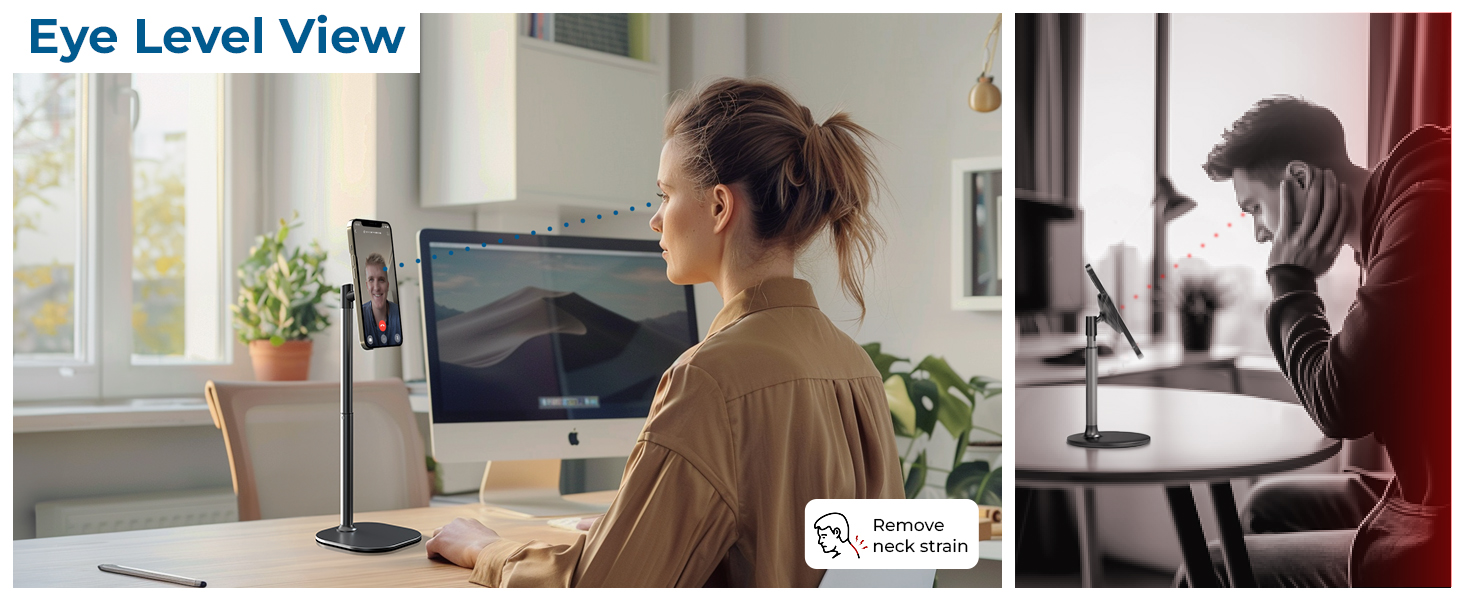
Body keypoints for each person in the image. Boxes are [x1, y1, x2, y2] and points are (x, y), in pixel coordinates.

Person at [424, 78, 904, 587]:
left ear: (720, 207)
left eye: (665, 193)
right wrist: (633, 530)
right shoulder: (857, 368)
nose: (655, 220)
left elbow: (602, 589)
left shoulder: (709, 379)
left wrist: (486, 549)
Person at [1178, 97, 1449, 587]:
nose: (1260, 233)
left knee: (1208, 566)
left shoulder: (1423, 213)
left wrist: (1291, 281)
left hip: (1444, 521)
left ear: (1299, 179)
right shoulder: (1396, 214)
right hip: (1423, 489)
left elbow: (1340, 405)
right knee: (1265, 505)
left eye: (1255, 208)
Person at [359, 252, 402, 347]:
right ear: (367, 286)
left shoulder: (401, 314)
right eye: (371, 280)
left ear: (387, 285)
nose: (376, 287)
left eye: (381, 280)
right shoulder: (360, 316)